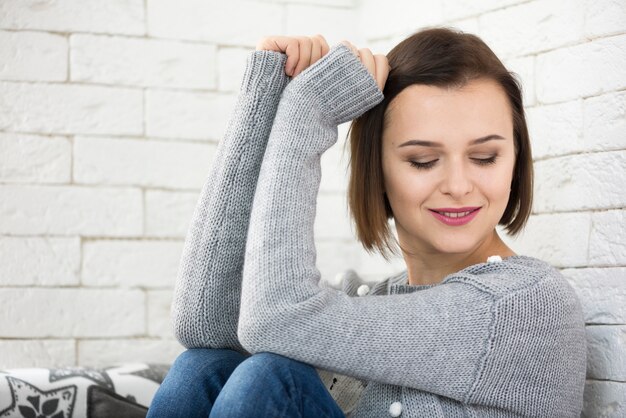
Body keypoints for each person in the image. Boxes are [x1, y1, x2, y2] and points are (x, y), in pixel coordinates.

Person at [147, 28, 587, 418]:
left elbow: (274, 320)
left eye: (484, 157)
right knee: (202, 367)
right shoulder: (373, 301)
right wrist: (266, 92)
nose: (458, 185)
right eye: (423, 160)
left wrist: (308, 112)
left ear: (515, 161)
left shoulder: (525, 306)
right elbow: (205, 324)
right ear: (376, 170)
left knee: (267, 377)